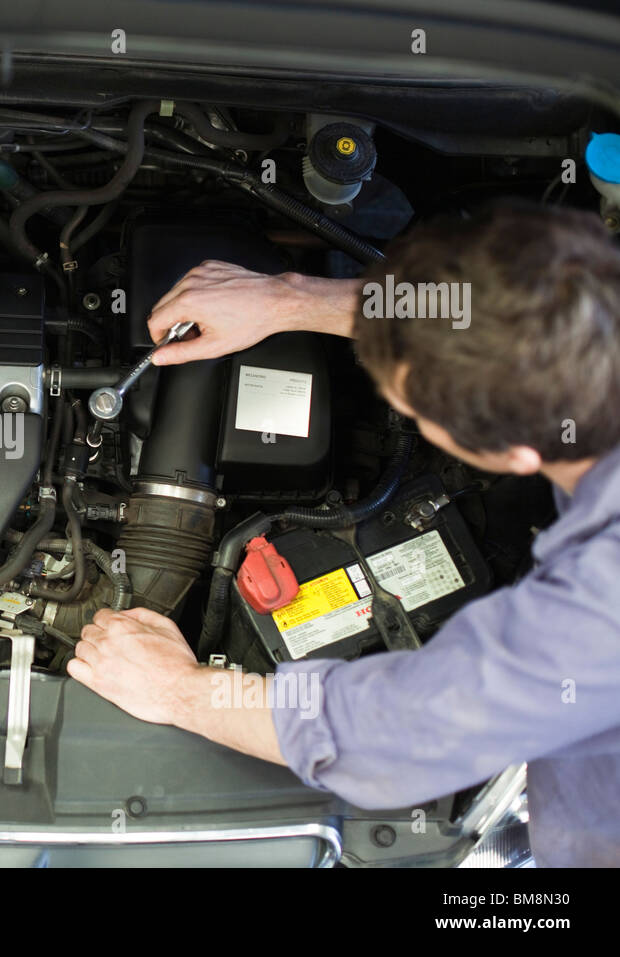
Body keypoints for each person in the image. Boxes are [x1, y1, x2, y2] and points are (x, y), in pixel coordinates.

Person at [67, 201, 620, 866]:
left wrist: (181, 689)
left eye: (410, 407)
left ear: (517, 453)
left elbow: (408, 727)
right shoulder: (593, 317)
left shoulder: (595, 609)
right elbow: (487, 308)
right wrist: (288, 299)